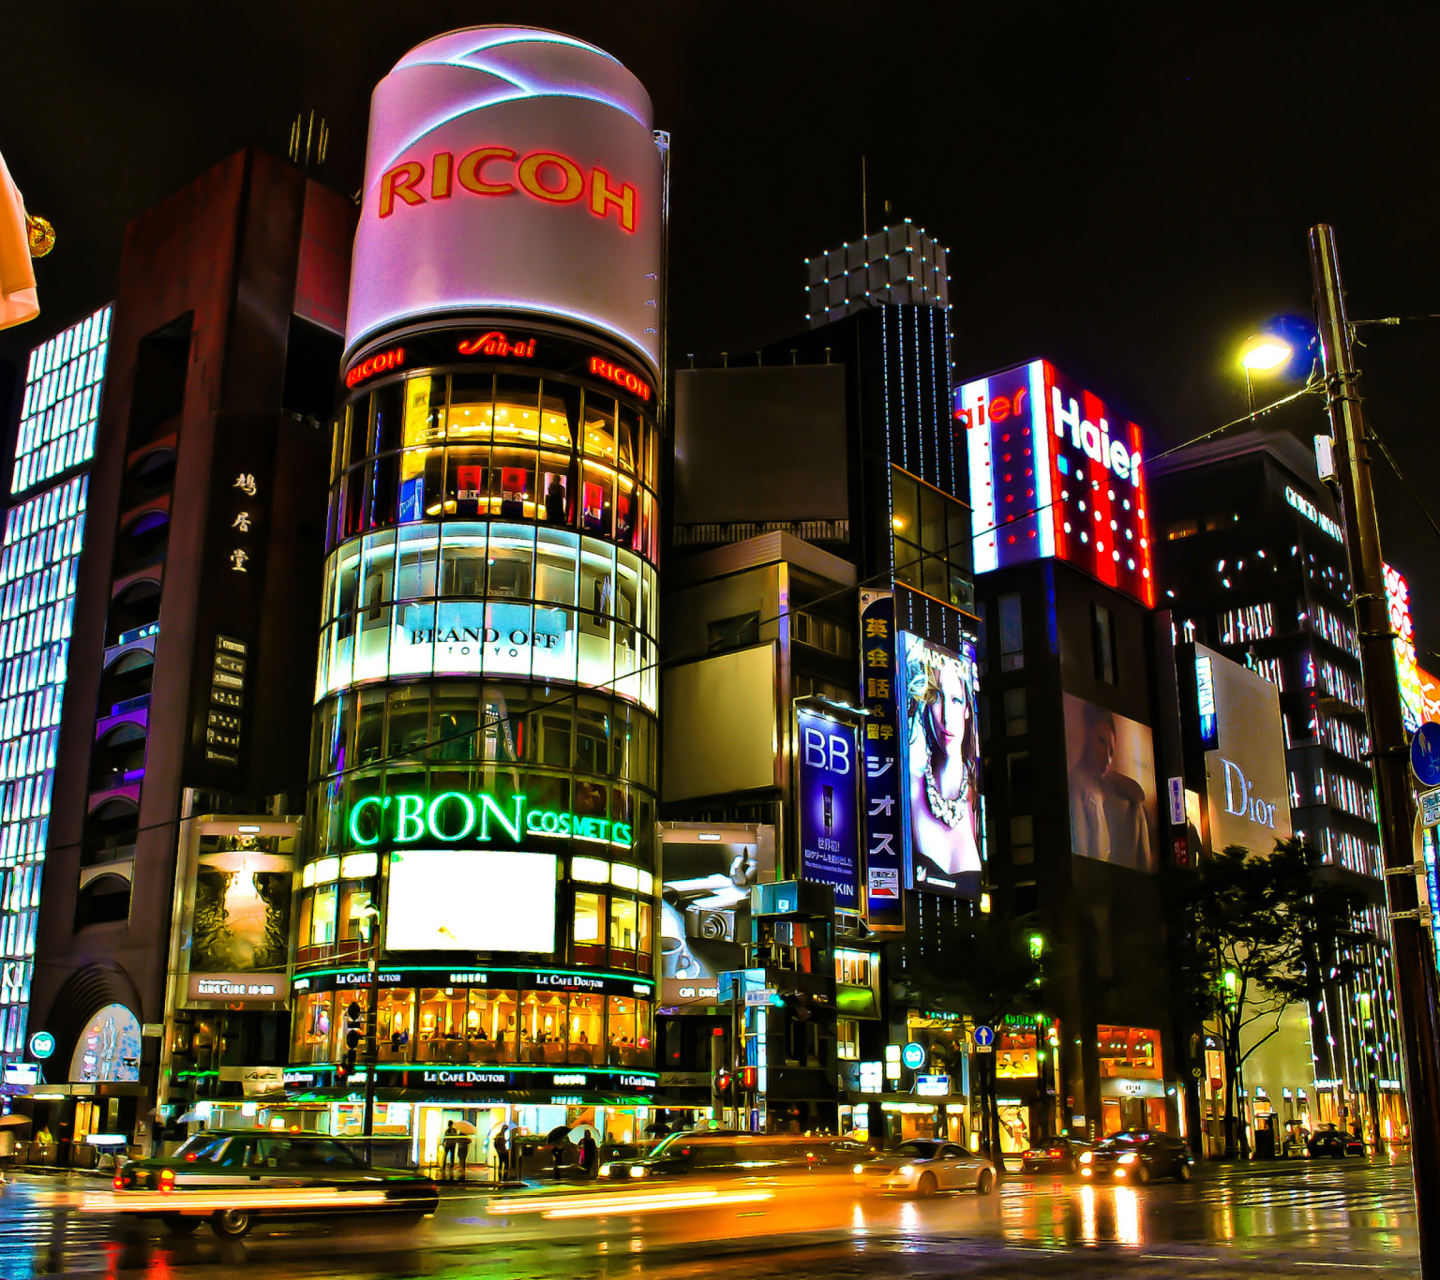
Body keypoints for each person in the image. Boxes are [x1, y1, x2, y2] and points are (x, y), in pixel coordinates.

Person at [905, 649, 981, 886]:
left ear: (968, 709)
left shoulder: (979, 803)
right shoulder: (908, 790)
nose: (947, 717)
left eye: (956, 700)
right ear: (926, 705)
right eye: (937, 699)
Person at [1068, 702, 1153, 871]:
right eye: (1101, 742)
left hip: (1108, 873)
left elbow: (1138, 795)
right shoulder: (1076, 784)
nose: (1108, 758)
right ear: (1087, 734)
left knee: (1137, 809)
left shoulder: (1098, 783)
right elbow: (1081, 852)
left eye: (1112, 752)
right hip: (1091, 878)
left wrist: (1107, 775)